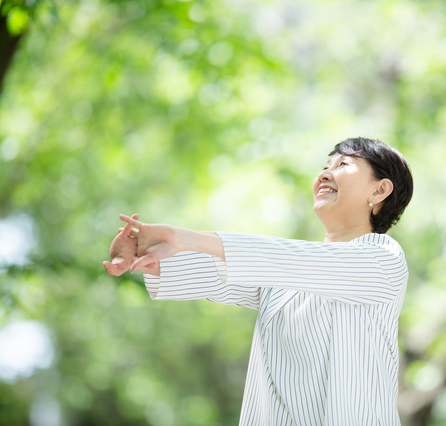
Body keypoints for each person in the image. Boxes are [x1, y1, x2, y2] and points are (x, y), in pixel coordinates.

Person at [103, 137, 413, 425]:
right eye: (325, 167)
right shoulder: (282, 277)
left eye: (343, 165)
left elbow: (294, 261)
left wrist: (180, 237)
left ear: (379, 190)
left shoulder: (382, 259)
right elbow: (219, 274)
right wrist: (146, 257)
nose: (324, 175)